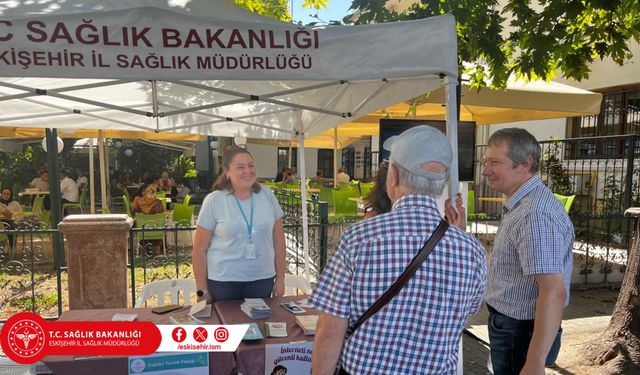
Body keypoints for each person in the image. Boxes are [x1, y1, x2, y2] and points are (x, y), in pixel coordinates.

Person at [310, 126, 487, 375]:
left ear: (392, 176)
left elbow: (330, 329)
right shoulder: (472, 251)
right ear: (443, 181)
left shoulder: (359, 238)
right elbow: (466, 311)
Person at [480, 128, 573, 375]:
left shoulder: (534, 214)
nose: (485, 170)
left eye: (495, 162)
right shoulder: (524, 204)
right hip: (514, 328)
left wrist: (534, 363)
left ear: (526, 164)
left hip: (520, 331)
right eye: (486, 161)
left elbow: (553, 291)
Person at [193, 146, 286, 303]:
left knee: (258, 326)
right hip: (223, 283)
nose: (248, 171)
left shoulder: (267, 195)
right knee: (226, 327)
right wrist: (202, 290)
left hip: (262, 280)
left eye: (251, 165)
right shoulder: (214, 200)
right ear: (227, 172)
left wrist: (281, 278)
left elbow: (279, 240)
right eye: (240, 167)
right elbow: (199, 249)